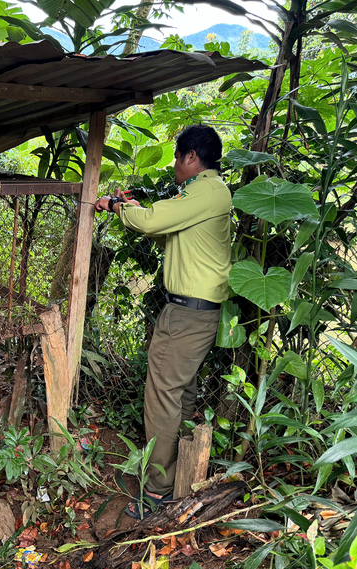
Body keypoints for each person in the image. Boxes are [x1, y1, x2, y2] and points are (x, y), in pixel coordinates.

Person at [95, 124, 231, 518]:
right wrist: (136, 212)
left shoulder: (205, 190)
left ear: (192, 157)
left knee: (161, 398)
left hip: (188, 314)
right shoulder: (205, 194)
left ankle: (156, 492)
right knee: (181, 394)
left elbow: (152, 221)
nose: (174, 165)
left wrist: (118, 207)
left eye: (177, 157)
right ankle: (183, 476)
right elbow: (167, 234)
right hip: (192, 312)